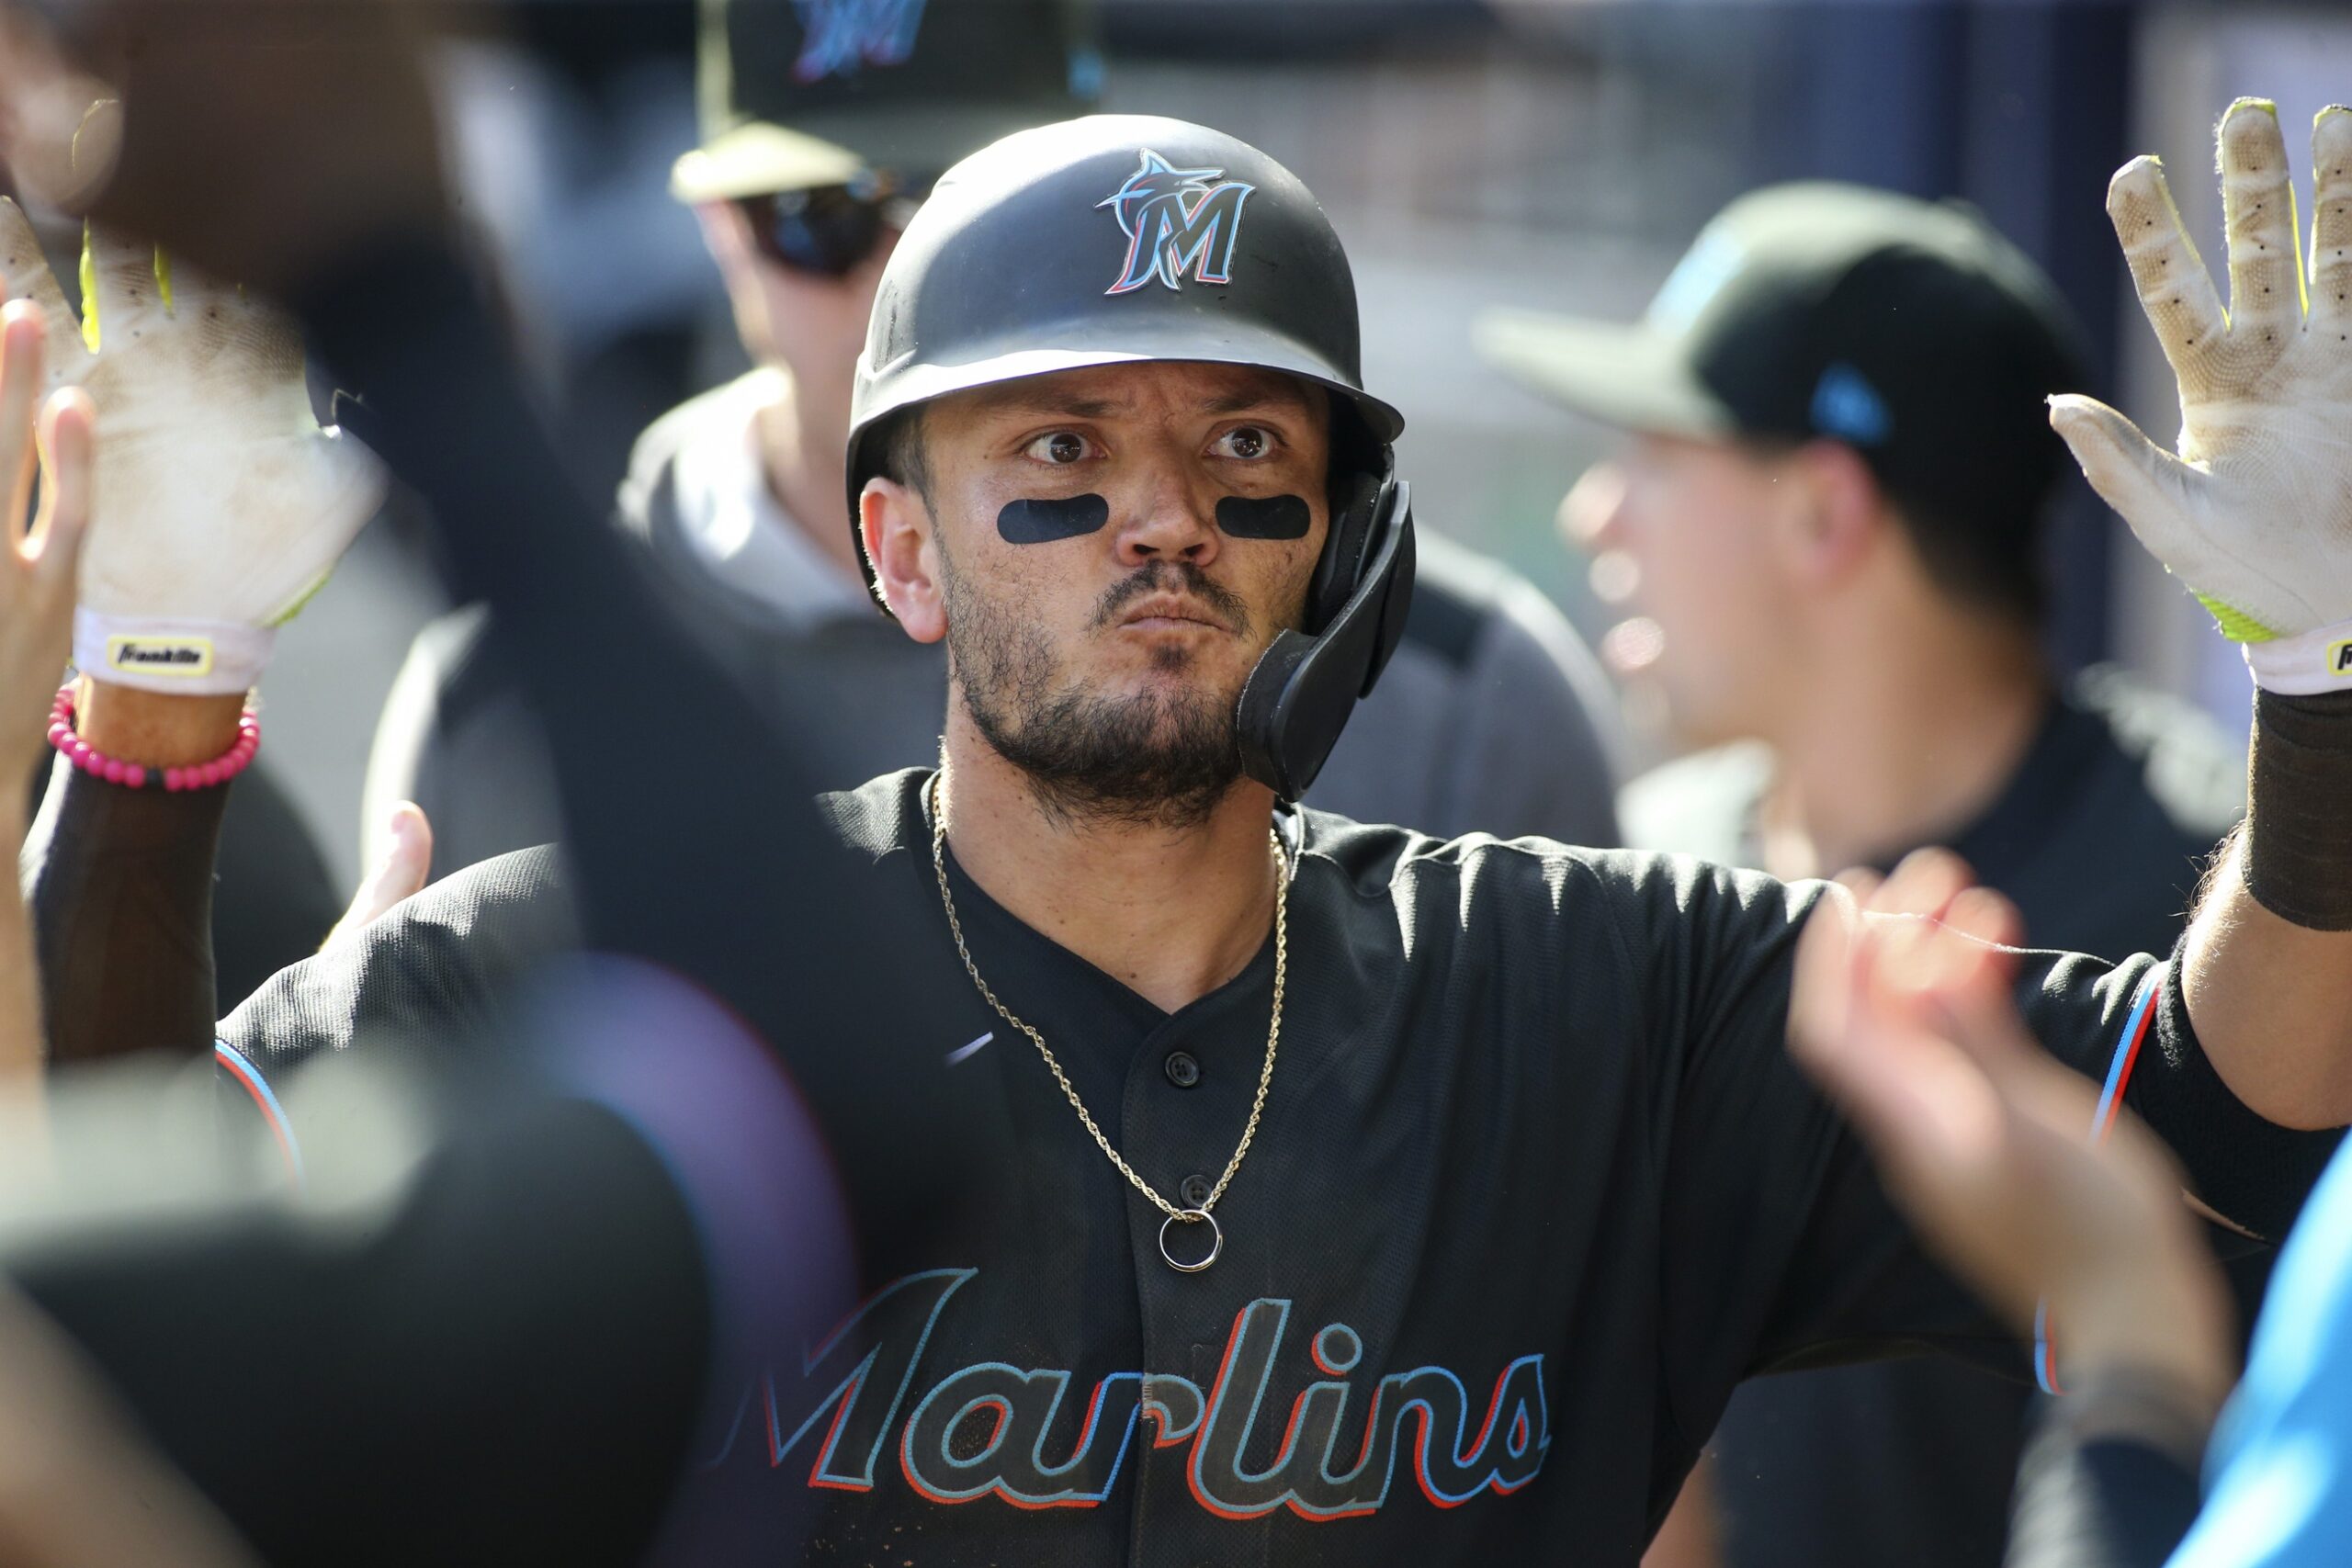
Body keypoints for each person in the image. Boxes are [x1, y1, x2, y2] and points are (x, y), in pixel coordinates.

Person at [12, 16, 2352, 1559]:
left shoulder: (1595, 984)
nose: (1162, 516)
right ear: (897, 548)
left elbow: (2221, 1133)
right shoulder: (645, 989)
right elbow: (117, 1316)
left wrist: (2328, 687)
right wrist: (151, 712)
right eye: (1058, 451)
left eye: (1246, 452)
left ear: (1341, 536)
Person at [363, 0, 1621, 885]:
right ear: (718, 229)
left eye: (970, 218)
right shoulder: (506, 692)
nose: (898, 287)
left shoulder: (1462, 696)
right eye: (818, 218)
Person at [1477, 184, 2245, 1568]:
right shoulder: (1644, 858)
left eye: (1655, 451)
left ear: (1825, 513)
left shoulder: (2212, 897)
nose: (1598, 515)